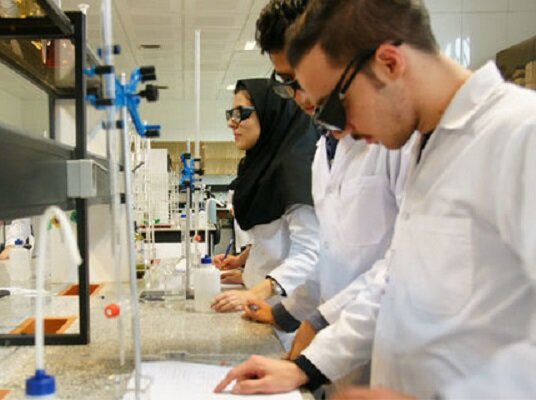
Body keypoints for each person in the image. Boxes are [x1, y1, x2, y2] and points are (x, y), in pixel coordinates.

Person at [215, 0, 536, 398]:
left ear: (389, 63)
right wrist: (307, 367)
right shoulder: (430, 145)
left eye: (334, 106)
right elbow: (393, 278)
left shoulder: (521, 134)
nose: (337, 129)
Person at [243, 0, 413, 370]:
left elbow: (405, 265)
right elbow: (332, 255)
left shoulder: (403, 141)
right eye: (288, 83)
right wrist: (287, 314)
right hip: (343, 355)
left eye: (303, 79)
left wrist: (319, 324)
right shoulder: (325, 149)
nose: (302, 96)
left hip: (391, 351)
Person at [211, 78, 320, 312]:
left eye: (241, 113)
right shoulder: (262, 167)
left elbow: (310, 251)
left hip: (285, 309)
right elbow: (274, 234)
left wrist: (255, 292)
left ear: (270, 114)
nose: (231, 122)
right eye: (231, 114)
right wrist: (244, 267)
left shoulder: (293, 169)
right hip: (260, 298)